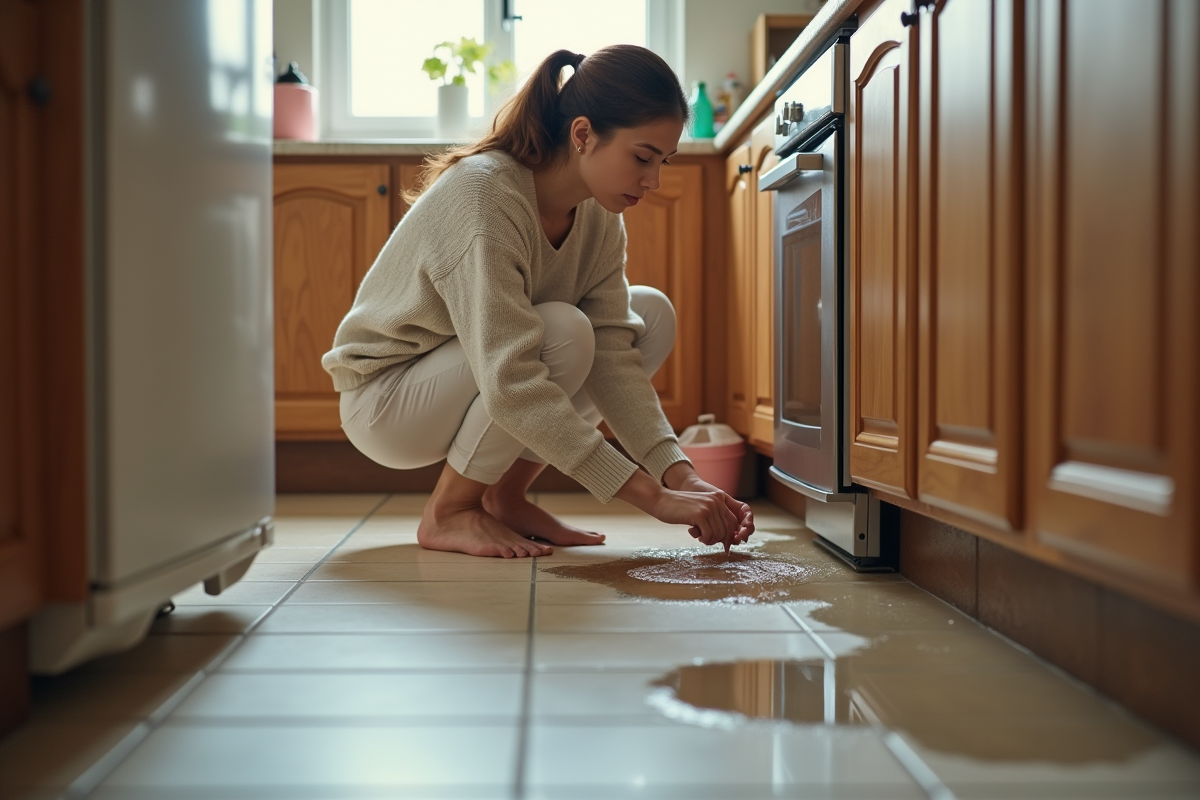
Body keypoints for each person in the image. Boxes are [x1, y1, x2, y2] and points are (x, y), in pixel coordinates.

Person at [322, 45, 755, 558]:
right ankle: (450, 511)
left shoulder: (599, 217)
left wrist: (679, 475)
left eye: (663, 161)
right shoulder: (485, 195)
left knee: (649, 314)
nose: (653, 181)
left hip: (471, 378)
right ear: (582, 134)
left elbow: (613, 357)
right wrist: (651, 498)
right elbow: (511, 383)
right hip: (387, 399)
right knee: (563, 331)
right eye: (642, 157)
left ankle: (505, 496)